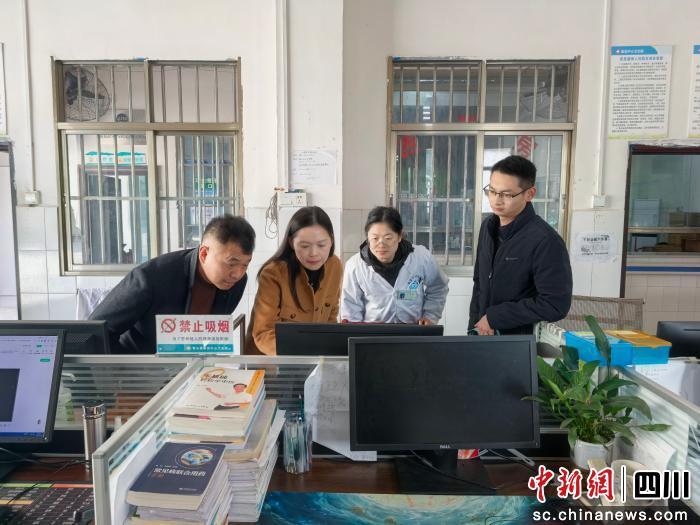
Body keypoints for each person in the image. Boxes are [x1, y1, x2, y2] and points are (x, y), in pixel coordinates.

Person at [90, 215, 255, 353]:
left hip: (187, 370)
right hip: (138, 371)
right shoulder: (152, 278)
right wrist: (121, 374)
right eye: (231, 263)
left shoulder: (236, 283)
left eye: (245, 264)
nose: (238, 274)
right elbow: (93, 332)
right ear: (204, 254)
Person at [469, 155, 572, 336]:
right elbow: (479, 283)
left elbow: (555, 304)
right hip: (482, 335)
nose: (497, 200)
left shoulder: (545, 240)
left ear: (529, 194)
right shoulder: (488, 227)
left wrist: (495, 317)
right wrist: (473, 328)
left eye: (507, 194)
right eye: (492, 191)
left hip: (519, 343)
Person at [246, 206, 343, 355]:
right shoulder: (273, 273)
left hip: (315, 359)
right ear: (291, 242)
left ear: (331, 241)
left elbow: (330, 318)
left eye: (321, 245)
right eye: (304, 246)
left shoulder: (335, 266)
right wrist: (303, 355)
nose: (314, 253)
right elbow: (263, 333)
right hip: (272, 359)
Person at [341, 206, 448, 324]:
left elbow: (438, 286)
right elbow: (351, 308)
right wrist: (356, 333)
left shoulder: (421, 258)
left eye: (388, 238)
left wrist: (430, 316)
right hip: (373, 333)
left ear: (399, 235)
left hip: (414, 330)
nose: (381, 244)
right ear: (367, 238)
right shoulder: (355, 266)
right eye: (375, 238)